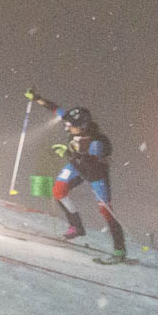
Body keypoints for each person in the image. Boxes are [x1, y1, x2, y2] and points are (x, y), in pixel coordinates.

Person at [27, 91, 127, 259]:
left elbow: (89, 163)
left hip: (95, 173)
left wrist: (67, 152)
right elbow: (56, 109)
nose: (68, 127)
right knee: (58, 191)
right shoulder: (72, 123)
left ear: (83, 126)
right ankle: (77, 227)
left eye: (72, 125)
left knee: (106, 211)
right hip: (75, 166)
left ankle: (120, 249)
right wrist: (37, 98)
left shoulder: (97, 142)